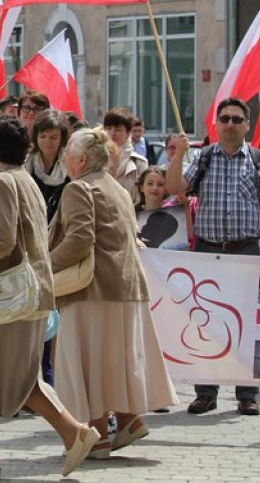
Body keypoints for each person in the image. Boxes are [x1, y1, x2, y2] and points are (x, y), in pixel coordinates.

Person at [0, 116, 100, 479]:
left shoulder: (2, 183)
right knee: (21, 378)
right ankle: (72, 434)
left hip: (1, 298)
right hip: (23, 295)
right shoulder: (25, 181)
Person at [50, 126, 177, 459]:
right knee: (115, 360)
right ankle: (127, 420)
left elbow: (78, 240)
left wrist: (43, 267)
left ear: (80, 159)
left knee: (91, 362)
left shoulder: (79, 189)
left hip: (94, 287)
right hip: (126, 285)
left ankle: (98, 437)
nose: (64, 157)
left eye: (67, 153)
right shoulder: (118, 188)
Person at [165, 97, 260, 416]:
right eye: (225, 119)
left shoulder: (259, 161)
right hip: (208, 251)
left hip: (247, 250)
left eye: (236, 119)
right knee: (207, 322)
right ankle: (206, 392)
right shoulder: (203, 157)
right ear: (216, 125)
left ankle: (246, 394)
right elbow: (174, 186)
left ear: (246, 125)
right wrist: (177, 154)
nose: (230, 124)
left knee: (247, 323)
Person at [23, 109, 71, 223]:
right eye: (42, 136)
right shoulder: (25, 164)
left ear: (61, 138)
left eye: (53, 137)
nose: (47, 142)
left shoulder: (70, 166)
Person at [102, 108, 148, 202]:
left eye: (118, 129)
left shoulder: (139, 162)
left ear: (128, 132)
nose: (112, 133)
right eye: (108, 128)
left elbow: (143, 198)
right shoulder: (96, 159)